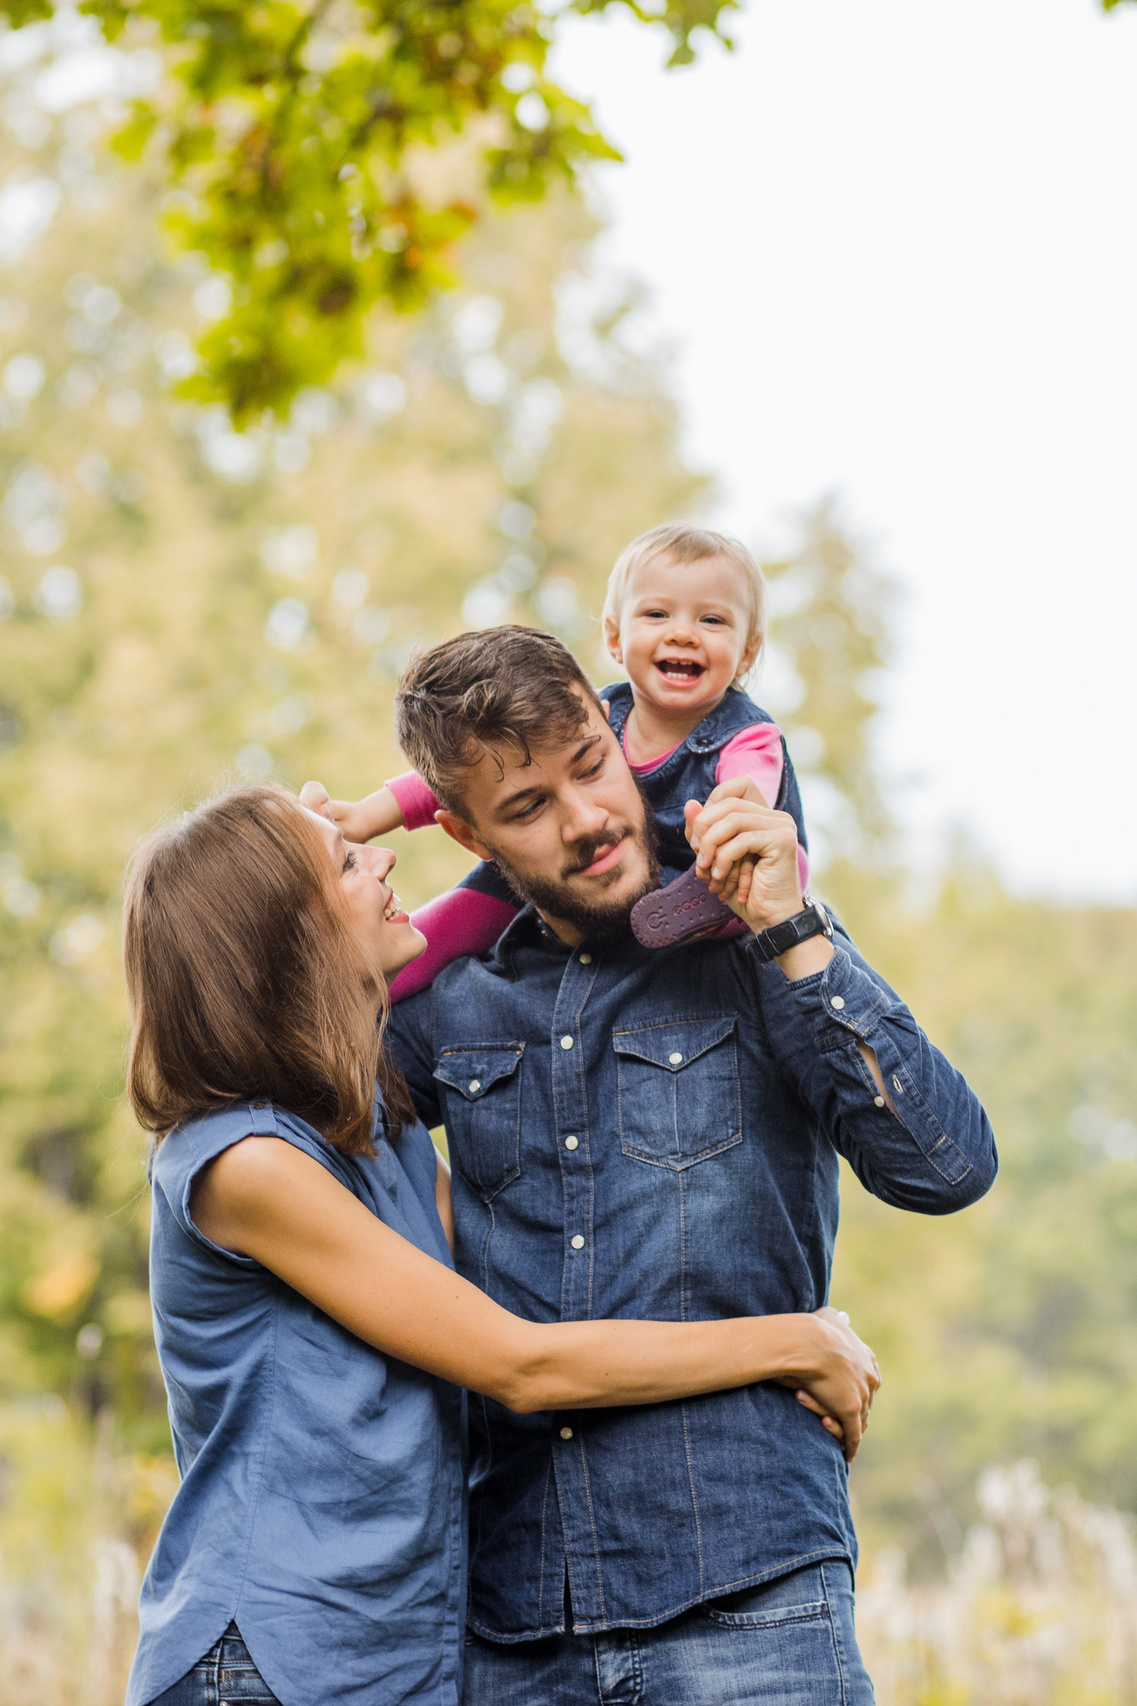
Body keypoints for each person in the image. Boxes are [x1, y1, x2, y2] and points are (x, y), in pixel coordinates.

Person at [122, 783, 880, 1706]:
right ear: (287, 935)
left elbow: (527, 1280)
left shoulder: (379, 1127)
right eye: (349, 863)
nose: (386, 859)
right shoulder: (242, 1164)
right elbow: (518, 1359)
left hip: (398, 1660)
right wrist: (795, 1340)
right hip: (267, 1660)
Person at [373, 625, 998, 1706]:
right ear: (465, 828)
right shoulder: (442, 1007)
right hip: (512, 1622)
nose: (588, 821)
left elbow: (943, 1166)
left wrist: (789, 925)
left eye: (590, 766)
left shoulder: (764, 941)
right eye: (527, 808)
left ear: (620, 736)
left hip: (751, 1598)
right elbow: (285, 1121)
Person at [304, 523, 809, 1000]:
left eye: (712, 620)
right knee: (461, 909)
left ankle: (712, 913)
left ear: (746, 653)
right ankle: (367, 987)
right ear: (614, 637)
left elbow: (749, 791)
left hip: (703, 865)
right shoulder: (584, 710)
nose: (683, 634)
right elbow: (468, 772)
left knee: (763, 872)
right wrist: (366, 816)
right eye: (657, 615)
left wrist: (735, 825)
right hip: (569, 870)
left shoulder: (748, 732)